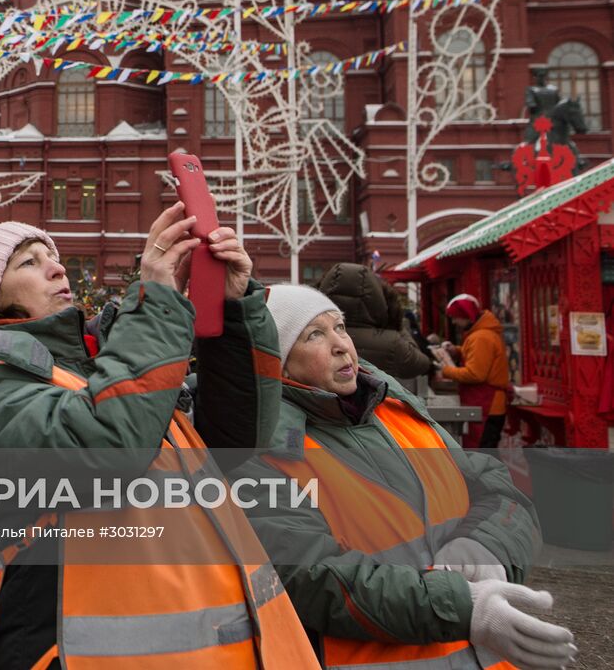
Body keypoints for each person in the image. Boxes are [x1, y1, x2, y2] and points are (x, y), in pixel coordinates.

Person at [0, 206, 318, 670]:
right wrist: (158, 299)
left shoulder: (102, 367)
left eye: (51, 256)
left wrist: (231, 311)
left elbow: (237, 439)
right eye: (28, 263)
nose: (57, 266)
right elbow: (111, 445)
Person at [233, 285, 575, 670]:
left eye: (340, 327)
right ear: (277, 364)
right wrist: (464, 607)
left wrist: (486, 548)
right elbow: (313, 578)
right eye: (314, 334)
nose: (341, 345)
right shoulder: (261, 454)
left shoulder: (398, 411)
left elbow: (498, 490)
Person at [317, 262, 432, 380]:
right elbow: (421, 365)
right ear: (377, 297)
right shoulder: (393, 344)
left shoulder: (311, 339)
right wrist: (396, 321)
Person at [437, 293, 511, 450]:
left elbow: (475, 374)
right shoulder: (482, 334)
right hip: (488, 404)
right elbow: (476, 357)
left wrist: (445, 371)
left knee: (481, 456)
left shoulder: (481, 337)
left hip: (487, 406)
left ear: (467, 316)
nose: (454, 321)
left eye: (456, 317)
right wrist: (457, 351)